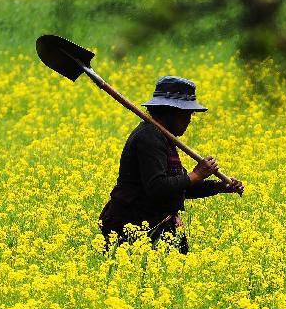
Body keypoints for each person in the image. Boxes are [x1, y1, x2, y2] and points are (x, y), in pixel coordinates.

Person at [98, 75, 244, 254]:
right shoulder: (149, 137)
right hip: (132, 228)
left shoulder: (163, 138)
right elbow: (157, 187)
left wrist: (219, 187)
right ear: (172, 111)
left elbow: (181, 187)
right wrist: (196, 175)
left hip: (155, 227)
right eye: (187, 114)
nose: (189, 120)